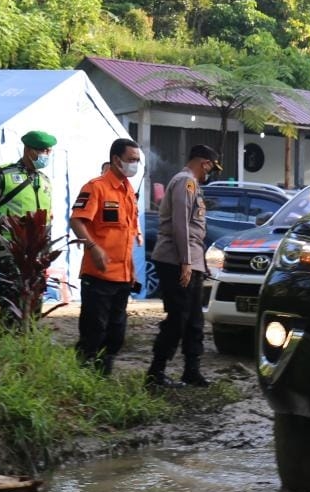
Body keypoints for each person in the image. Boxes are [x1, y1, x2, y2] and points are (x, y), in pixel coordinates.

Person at [146, 144, 221, 388]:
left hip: (191, 261)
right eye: (210, 168)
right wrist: (187, 262)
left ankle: (192, 370)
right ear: (205, 163)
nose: (209, 174)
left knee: (194, 319)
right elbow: (181, 224)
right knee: (178, 316)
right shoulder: (185, 182)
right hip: (175, 260)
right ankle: (156, 372)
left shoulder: (192, 185)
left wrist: (198, 263)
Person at [69, 138, 143, 375]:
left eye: (138, 161)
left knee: (115, 333)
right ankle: (81, 377)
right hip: (98, 273)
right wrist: (93, 247)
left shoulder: (128, 190)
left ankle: (103, 376)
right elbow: (77, 220)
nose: (135, 165)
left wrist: (132, 269)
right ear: (116, 160)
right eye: (131, 160)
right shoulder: (96, 187)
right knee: (94, 331)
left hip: (122, 275)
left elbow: (129, 230)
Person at [0, 130, 56, 329]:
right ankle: (8, 334)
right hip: (9, 245)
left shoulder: (44, 180)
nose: (46, 154)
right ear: (28, 150)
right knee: (13, 290)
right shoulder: (4, 174)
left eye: (49, 151)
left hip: (37, 249)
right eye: (42, 150)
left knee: (35, 291)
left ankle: (29, 333)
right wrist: (5, 222)